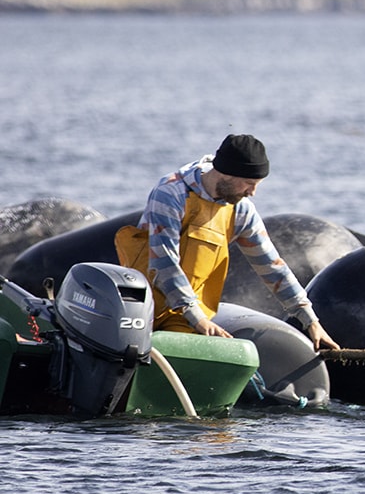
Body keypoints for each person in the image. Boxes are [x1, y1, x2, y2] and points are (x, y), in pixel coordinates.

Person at [115, 134, 340, 350]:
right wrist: (198, 319)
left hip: (188, 316)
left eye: (257, 184)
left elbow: (272, 266)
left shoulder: (240, 210)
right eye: (249, 183)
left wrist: (310, 320)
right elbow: (164, 265)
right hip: (142, 307)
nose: (252, 192)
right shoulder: (170, 193)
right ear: (226, 174)